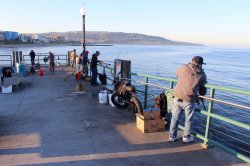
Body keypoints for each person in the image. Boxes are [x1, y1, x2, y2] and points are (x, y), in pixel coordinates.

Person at [169, 56, 207, 143]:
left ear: (192, 61)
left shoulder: (183, 67)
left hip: (177, 95)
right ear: (201, 64)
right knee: (188, 119)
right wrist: (202, 95)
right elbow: (202, 88)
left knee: (175, 117)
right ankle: (186, 137)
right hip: (189, 99)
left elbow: (177, 74)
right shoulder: (201, 74)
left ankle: (172, 136)